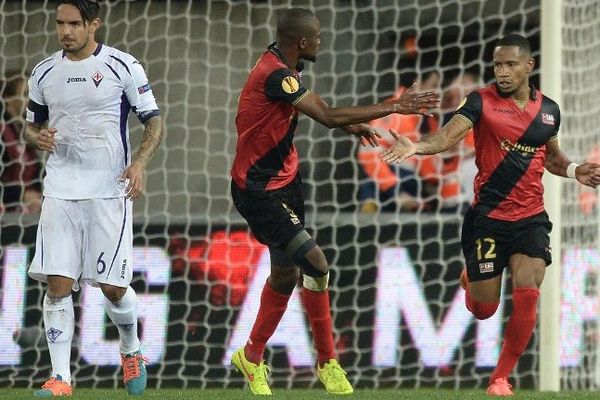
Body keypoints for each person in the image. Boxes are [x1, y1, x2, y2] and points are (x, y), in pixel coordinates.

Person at [230, 7, 439, 396]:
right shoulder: (275, 74)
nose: (322, 42)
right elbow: (325, 114)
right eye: (319, 37)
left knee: (285, 275)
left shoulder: (285, 64)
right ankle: (328, 363)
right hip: (258, 189)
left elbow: (314, 110)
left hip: (287, 181)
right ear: (303, 42)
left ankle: (252, 356)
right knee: (316, 263)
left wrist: (351, 125)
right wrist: (392, 107)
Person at [381, 33, 600, 396]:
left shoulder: (549, 111)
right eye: (497, 64)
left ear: (529, 66)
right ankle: (472, 280)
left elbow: (552, 158)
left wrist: (576, 169)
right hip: (488, 218)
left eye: (511, 64)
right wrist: (417, 146)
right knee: (484, 310)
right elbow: (449, 136)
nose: (502, 71)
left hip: (530, 217)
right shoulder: (480, 101)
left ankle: (500, 377)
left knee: (529, 287)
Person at [24, 0, 163, 397]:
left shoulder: (123, 65)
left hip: (109, 191)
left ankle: (131, 348)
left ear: (93, 24)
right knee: (57, 283)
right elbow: (31, 126)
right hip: (61, 190)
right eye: (59, 24)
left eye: (73, 24)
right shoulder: (44, 72)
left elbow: (152, 120)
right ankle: (60, 378)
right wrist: (38, 137)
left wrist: (138, 164)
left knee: (112, 288)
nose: (64, 31)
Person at [357, 70, 440, 213]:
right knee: (371, 186)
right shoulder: (393, 112)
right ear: (417, 83)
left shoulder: (429, 120)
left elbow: (428, 162)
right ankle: (371, 207)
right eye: (433, 85)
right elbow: (368, 153)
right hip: (391, 182)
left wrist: (434, 185)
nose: (437, 91)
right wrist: (396, 191)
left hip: (415, 183)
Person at [1, 72, 42, 214]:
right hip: (6, 216)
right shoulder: (3, 132)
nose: (29, 100)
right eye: (25, 94)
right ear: (8, 98)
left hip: (26, 215)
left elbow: (36, 176)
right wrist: (21, 195)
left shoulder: (24, 132)